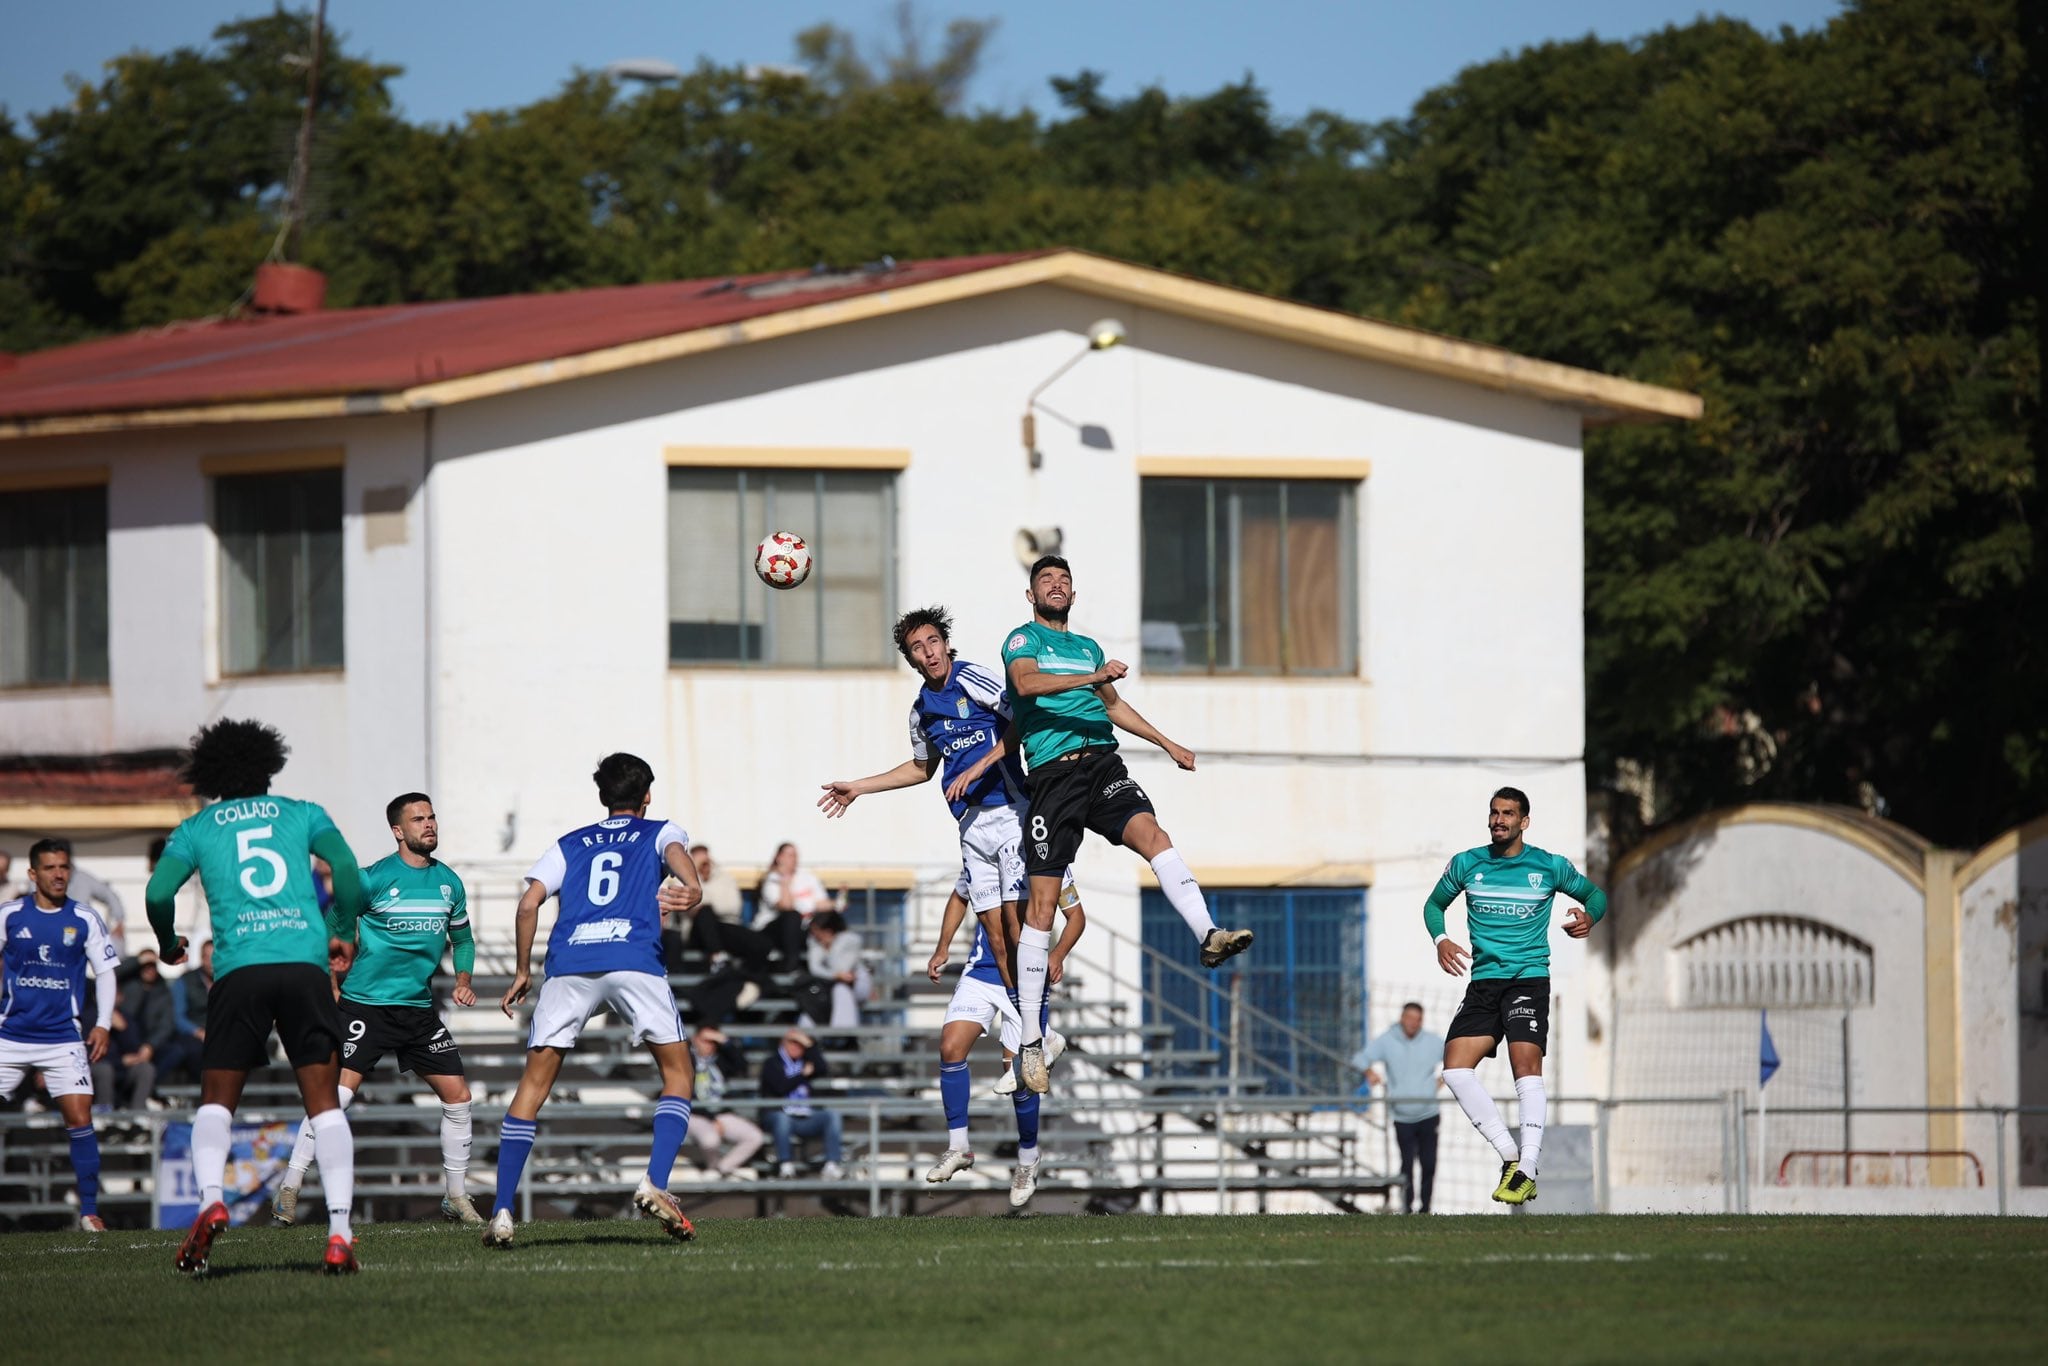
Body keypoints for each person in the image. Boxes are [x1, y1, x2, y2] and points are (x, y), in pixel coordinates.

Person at [1001, 555, 1252, 1092]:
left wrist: (1167, 742)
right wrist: (1095, 676)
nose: (1057, 585)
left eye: (1064, 579)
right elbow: (1025, 686)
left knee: (1154, 836)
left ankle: (1208, 933)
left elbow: (1112, 706)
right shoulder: (1022, 641)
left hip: (1103, 765)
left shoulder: (1087, 647)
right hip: (1054, 776)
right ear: (1031, 595)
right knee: (1042, 906)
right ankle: (1028, 1042)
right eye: (1046, 579)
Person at [142, 717, 367, 1274]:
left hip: (240, 969)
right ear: (270, 765)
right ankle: (339, 1233)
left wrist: (169, 941)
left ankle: (212, 1198)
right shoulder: (303, 813)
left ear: (212, 773)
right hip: (303, 966)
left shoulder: (196, 828)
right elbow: (346, 869)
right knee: (324, 1104)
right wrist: (340, 926)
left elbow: (156, 890)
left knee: (217, 1103)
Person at [487, 752, 704, 1249]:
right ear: (646, 795)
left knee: (533, 1085)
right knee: (678, 1074)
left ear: (603, 797)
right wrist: (691, 886)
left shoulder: (570, 843)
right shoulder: (660, 829)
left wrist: (523, 970)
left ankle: (501, 1210)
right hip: (633, 958)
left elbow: (528, 903)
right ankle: (656, 1181)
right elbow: (678, 859)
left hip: (570, 965)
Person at [277, 792, 483, 1226]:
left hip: (417, 1011)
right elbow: (331, 930)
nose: (429, 825)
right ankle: (290, 1188)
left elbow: (462, 940)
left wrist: (463, 980)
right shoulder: (369, 880)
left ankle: (456, 1196)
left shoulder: (450, 883)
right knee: (337, 1099)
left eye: (431, 817)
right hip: (365, 1008)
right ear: (397, 831)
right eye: (418, 819)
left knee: (459, 1098)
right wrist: (330, 981)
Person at [819, 605, 1029, 991]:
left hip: (1011, 810)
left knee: (1017, 924)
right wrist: (858, 788)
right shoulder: (921, 711)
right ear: (910, 659)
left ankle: (1038, 1024)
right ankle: (1023, 1027)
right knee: (996, 938)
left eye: (934, 641)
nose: (930, 652)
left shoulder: (971, 678)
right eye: (918, 647)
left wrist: (979, 766)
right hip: (970, 824)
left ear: (947, 645)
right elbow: (921, 768)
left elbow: (1023, 719)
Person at [1428, 786, 1606, 1206]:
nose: (1498, 820)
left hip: (1528, 979)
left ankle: (1527, 1166)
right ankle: (1512, 1157)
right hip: (1484, 981)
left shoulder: (1548, 866)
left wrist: (1589, 916)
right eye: (1494, 813)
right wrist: (1441, 939)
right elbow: (1434, 904)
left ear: (1524, 822)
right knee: (1455, 1069)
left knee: (1525, 1067)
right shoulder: (1468, 864)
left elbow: (1595, 895)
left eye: (1508, 814)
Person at [924, 866, 1084, 1209]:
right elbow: (959, 896)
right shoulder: (982, 850)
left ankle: (1028, 1158)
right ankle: (959, 1147)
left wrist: (1057, 955)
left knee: (1022, 1074)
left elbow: (1076, 917)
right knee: (950, 1047)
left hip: (1026, 978)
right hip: (982, 973)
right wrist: (942, 948)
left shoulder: (1048, 855)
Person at [0, 840, 119, 1231]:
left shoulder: (84, 918)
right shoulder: (10, 915)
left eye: (64, 867)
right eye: (49, 868)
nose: (58, 874)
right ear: (33, 874)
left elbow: (105, 972)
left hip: (62, 1037)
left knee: (79, 1116)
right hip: (11, 1034)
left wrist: (102, 1022)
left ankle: (89, 1211)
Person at [1355, 1002, 1445, 1213]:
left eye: (1417, 1019)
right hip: (1401, 1116)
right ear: (1401, 1018)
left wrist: (1443, 1080)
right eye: (1409, 1018)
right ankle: (1407, 1207)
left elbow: (1456, 1058)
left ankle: (1426, 1208)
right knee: (1406, 1165)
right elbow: (1360, 1058)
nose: (1413, 1023)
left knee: (1429, 1164)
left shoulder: (1432, 1041)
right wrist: (1370, 1073)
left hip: (1429, 1113)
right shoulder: (1387, 1041)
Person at [759, 1028, 843, 1179]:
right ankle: (786, 1165)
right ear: (783, 1043)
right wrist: (802, 1075)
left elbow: (822, 1067)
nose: (796, 1047)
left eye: (800, 1045)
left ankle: (831, 1164)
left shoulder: (805, 1062)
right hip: (779, 1116)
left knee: (831, 1116)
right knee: (781, 1118)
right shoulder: (772, 1063)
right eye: (793, 1042)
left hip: (803, 1116)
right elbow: (780, 1087)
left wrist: (808, 1044)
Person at [684, 1025, 765, 1177]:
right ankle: (713, 1167)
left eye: (713, 1042)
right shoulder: (687, 1060)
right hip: (693, 1113)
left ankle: (722, 1169)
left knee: (755, 1137)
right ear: (695, 1040)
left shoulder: (720, 1060)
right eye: (705, 1040)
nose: (709, 1045)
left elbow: (742, 1065)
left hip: (720, 1113)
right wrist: (711, 1119)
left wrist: (724, 1041)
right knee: (710, 1140)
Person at [109, 948, 183, 1098]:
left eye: (153, 966)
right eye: (146, 966)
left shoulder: (162, 990)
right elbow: (109, 974)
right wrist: (137, 960)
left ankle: (150, 1089)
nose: (149, 970)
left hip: (148, 1043)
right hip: (125, 1040)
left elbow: (166, 1024)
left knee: (176, 1051)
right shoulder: (128, 982)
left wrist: (150, 1045)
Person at [753, 843, 838, 964]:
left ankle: (838, 964)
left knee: (831, 918)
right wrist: (785, 881)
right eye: (789, 855)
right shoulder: (772, 880)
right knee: (792, 916)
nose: (793, 859)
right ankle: (792, 963)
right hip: (773, 931)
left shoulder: (808, 878)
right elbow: (786, 906)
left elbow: (822, 903)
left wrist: (837, 903)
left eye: (795, 855)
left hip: (803, 928)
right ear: (779, 858)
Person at [46, 840, 129, 956]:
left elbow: (109, 895)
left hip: (82, 932)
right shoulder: (43, 878)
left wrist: (119, 922)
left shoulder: (83, 878)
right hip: (51, 931)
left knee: (115, 947)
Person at [799, 911, 868, 1030]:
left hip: (855, 983)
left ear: (828, 930)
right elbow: (815, 968)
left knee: (840, 989)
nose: (814, 934)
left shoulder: (851, 940)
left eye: (817, 930)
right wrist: (835, 975)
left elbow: (842, 968)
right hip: (830, 985)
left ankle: (843, 1033)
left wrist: (831, 947)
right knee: (816, 999)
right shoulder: (815, 942)